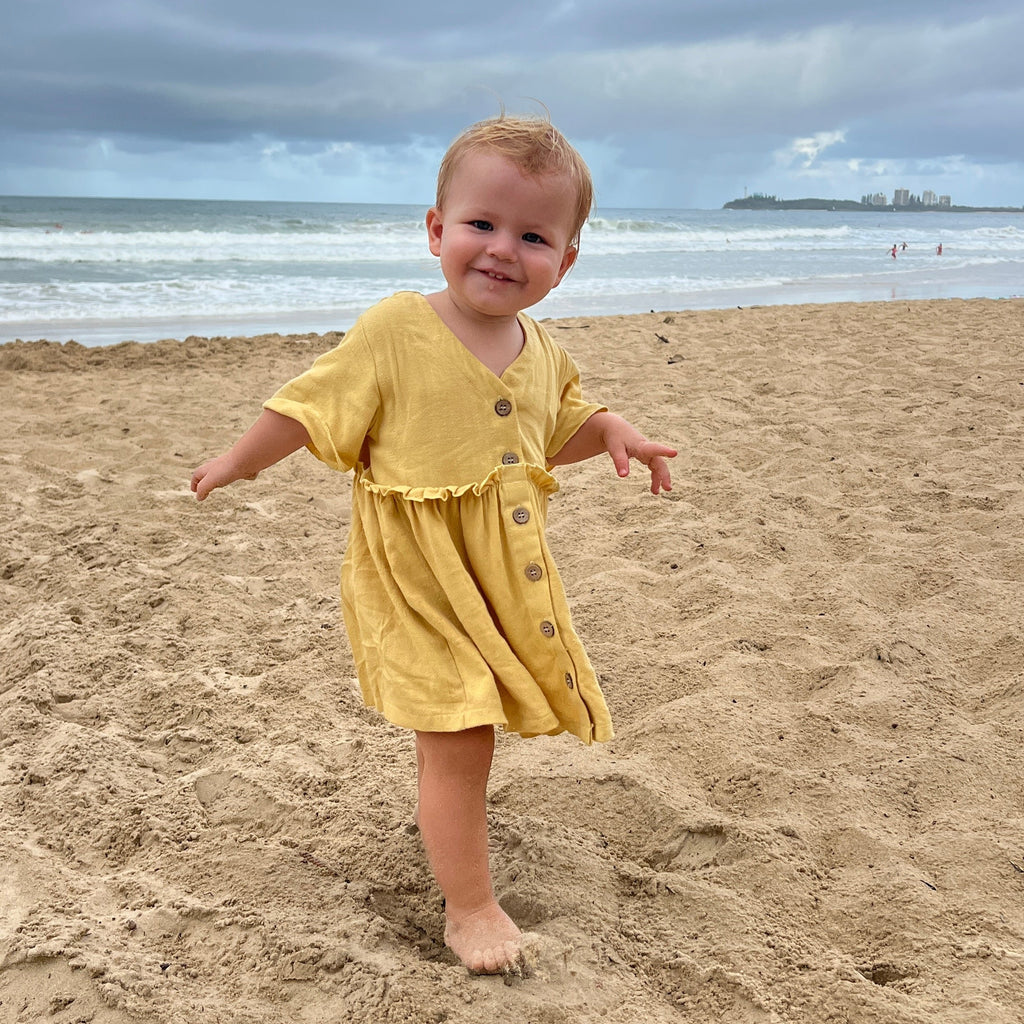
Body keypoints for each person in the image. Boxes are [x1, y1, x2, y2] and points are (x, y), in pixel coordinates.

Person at [190, 114, 677, 977]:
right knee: (460, 741)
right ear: (435, 231)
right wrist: (239, 459)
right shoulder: (394, 330)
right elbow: (308, 406)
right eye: (480, 225)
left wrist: (611, 431)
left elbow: (548, 428)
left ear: (563, 264)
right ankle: (470, 907)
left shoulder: (542, 348)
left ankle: (466, 873)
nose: (500, 249)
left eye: (532, 236)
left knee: (475, 731)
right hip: (417, 580)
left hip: (500, 580)